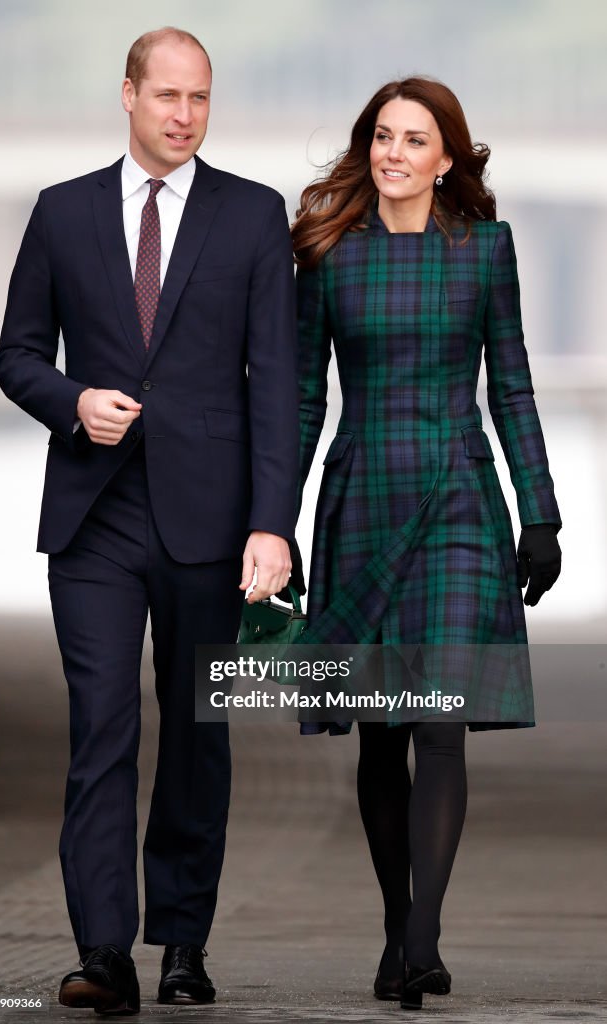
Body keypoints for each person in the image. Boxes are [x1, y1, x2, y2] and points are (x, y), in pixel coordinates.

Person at [0, 26, 299, 1015]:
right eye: (165, 95)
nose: (182, 115)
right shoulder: (62, 213)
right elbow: (16, 353)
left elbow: (278, 389)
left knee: (199, 738)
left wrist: (271, 522)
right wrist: (72, 400)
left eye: (199, 98)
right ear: (126, 94)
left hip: (211, 525)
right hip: (93, 519)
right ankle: (102, 951)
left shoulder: (253, 217)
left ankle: (181, 942)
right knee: (102, 730)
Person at [290, 77, 561, 1010]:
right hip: (363, 494)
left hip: (457, 498)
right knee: (381, 733)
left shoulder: (486, 251)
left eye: (415, 140)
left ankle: (422, 940)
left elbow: (514, 387)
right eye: (382, 137)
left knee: (439, 720)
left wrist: (542, 514)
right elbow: (300, 401)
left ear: (447, 159)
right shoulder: (328, 255)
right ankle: (395, 921)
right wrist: (272, 525)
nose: (394, 153)